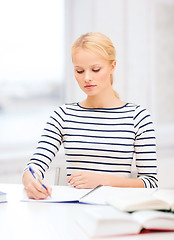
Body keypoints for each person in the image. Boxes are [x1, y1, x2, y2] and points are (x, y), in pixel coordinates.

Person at [22, 32, 158, 199]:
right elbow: (35, 166)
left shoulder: (138, 117)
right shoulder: (63, 115)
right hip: (73, 209)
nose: (87, 78)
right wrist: (30, 181)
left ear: (112, 66)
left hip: (116, 212)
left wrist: (103, 180)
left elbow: (150, 182)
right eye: (79, 71)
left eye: (95, 69)